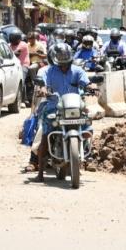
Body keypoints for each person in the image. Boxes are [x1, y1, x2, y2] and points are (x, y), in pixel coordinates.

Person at [31, 43, 93, 182]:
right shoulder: (48, 71)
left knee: (88, 126)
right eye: (60, 58)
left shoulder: (78, 71)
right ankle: (40, 171)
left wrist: (91, 86)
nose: (64, 62)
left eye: (66, 57)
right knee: (45, 135)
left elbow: (86, 82)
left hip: (75, 107)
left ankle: (89, 155)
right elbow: (42, 83)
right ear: (55, 59)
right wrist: (43, 89)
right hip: (54, 106)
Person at [9, 30, 29, 104]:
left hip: (23, 65)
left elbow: (15, 53)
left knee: (21, 81)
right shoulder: (10, 45)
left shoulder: (23, 44)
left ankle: (23, 100)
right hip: (13, 65)